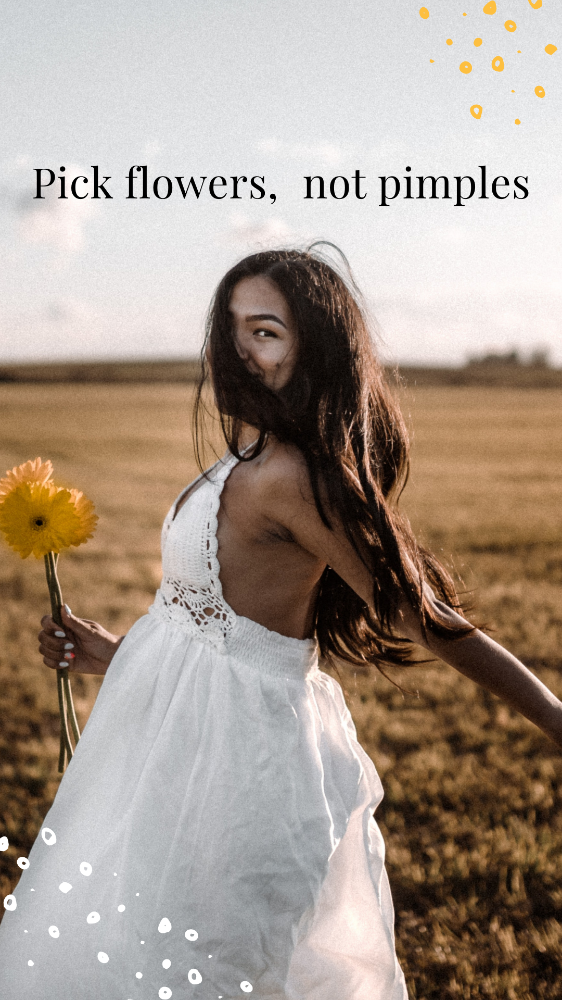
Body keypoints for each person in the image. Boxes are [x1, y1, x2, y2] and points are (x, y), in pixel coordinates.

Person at [1, 246, 561, 1000]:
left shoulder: (298, 478)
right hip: (174, 744)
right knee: (129, 942)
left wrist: (556, 720)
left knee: (213, 964)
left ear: (315, 353)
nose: (237, 351)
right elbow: (214, 626)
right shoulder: (242, 460)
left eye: (264, 331)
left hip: (240, 767)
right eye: (229, 329)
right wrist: (118, 654)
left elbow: (432, 622)